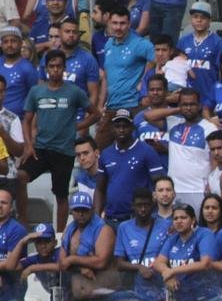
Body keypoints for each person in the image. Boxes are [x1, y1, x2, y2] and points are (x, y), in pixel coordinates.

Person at [21, 49, 98, 232]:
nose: (55, 70)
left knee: (61, 195)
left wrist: (76, 126)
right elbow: (27, 120)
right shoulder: (36, 91)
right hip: (40, 148)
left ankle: (60, 235)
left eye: (58, 66)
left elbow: (95, 114)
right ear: (46, 68)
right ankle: (22, 219)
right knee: (20, 177)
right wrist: (29, 145)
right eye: (51, 66)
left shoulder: (74, 92)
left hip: (64, 151)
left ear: (64, 68)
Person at [98, 108, 164, 224]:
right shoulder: (105, 154)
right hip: (110, 218)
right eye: (117, 126)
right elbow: (99, 188)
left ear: (133, 128)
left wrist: (150, 210)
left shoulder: (146, 151)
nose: (121, 130)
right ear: (112, 129)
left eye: (125, 126)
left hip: (137, 218)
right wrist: (96, 216)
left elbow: (159, 184)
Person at [167, 88, 218, 212]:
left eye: (192, 104)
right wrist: (177, 109)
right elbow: (147, 116)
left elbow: (216, 160)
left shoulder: (209, 128)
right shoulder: (173, 125)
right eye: (185, 104)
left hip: (198, 190)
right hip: (175, 190)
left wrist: (212, 185)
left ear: (199, 105)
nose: (188, 108)